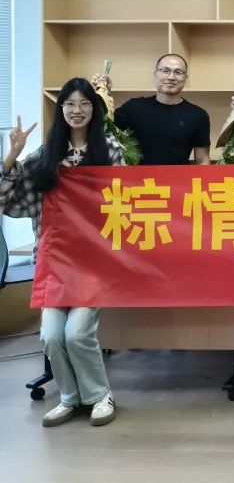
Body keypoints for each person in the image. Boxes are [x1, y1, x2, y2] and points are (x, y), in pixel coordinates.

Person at [0, 79, 125, 428]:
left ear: (94, 110)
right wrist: (12, 156)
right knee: (51, 336)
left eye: (84, 103)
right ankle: (69, 398)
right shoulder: (44, 156)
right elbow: (8, 201)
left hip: (93, 261)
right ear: (61, 110)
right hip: (54, 260)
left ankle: (100, 396)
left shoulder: (110, 150)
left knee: (77, 333)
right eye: (69, 104)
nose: (77, 110)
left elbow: (122, 200)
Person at [93, 54, 210, 165]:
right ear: (155, 74)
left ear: (185, 78)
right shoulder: (133, 108)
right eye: (165, 70)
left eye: (178, 72)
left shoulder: (198, 115)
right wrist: (100, 95)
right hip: (135, 179)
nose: (171, 77)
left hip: (178, 179)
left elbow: (202, 160)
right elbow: (103, 128)